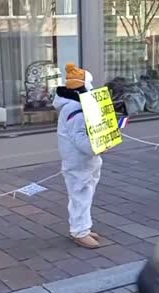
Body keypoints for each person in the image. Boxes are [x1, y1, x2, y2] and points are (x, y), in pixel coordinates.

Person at [53, 63, 103, 249]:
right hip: (78, 161)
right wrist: (97, 147)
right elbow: (79, 138)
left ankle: (84, 226)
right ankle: (79, 231)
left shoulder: (78, 106)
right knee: (80, 195)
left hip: (86, 160)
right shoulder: (75, 109)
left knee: (86, 193)